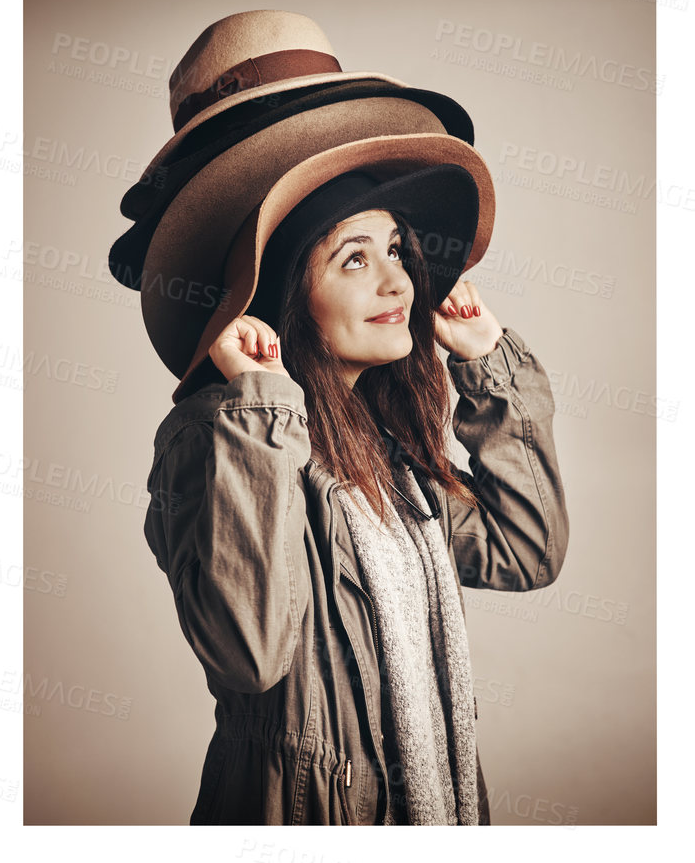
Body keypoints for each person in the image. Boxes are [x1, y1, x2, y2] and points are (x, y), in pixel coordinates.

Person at [139, 147, 569, 825]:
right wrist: (262, 412)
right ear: (287, 291)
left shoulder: (384, 447)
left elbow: (526, 550)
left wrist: (488, 363)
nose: (399, 283)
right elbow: (247, 654)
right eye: (355, 259)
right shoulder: (219, 434)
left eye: (397, 251)